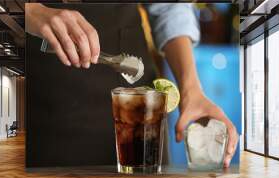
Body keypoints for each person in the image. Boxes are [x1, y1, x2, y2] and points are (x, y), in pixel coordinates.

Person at [25, 3, 238, 168]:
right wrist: (29, 10)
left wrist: (191, 89)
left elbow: (169, 8)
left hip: (138, 103)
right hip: (47, 90)